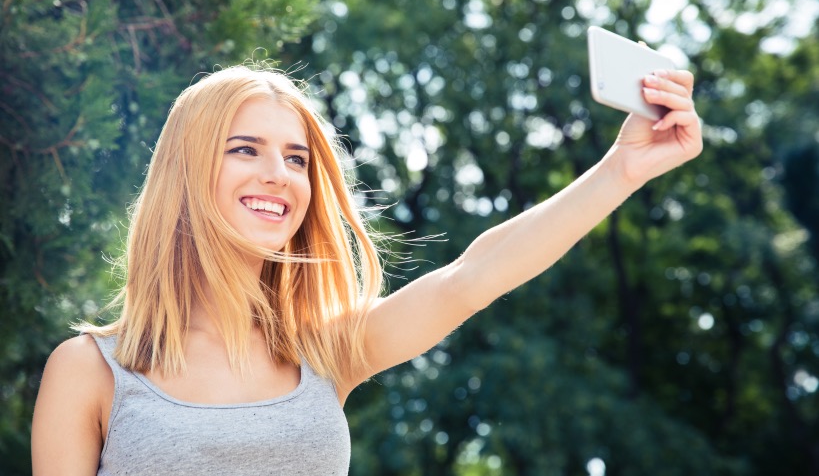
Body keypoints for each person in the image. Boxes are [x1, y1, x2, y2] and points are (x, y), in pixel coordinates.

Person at [31, 61, 702, 475]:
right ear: (185, 171)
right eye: (246, 149)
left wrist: (621, 169)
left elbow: (473, 275)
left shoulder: (324, 350)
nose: (279, 175)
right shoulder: (91, 370)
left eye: (297, 158)